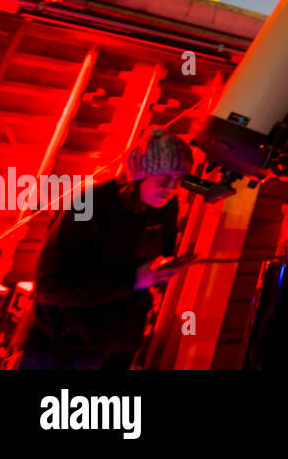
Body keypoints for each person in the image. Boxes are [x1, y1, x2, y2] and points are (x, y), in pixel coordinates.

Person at [14, 127, 194, 369]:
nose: (171, 188)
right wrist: (132, 281)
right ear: (140, 174)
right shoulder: (87, 207)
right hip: (61, 347)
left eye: (178, 180)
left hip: (118, 343)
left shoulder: (165, 207)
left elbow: (155, 258)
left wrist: (163, 270)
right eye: (165, 178)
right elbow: (50, 287)